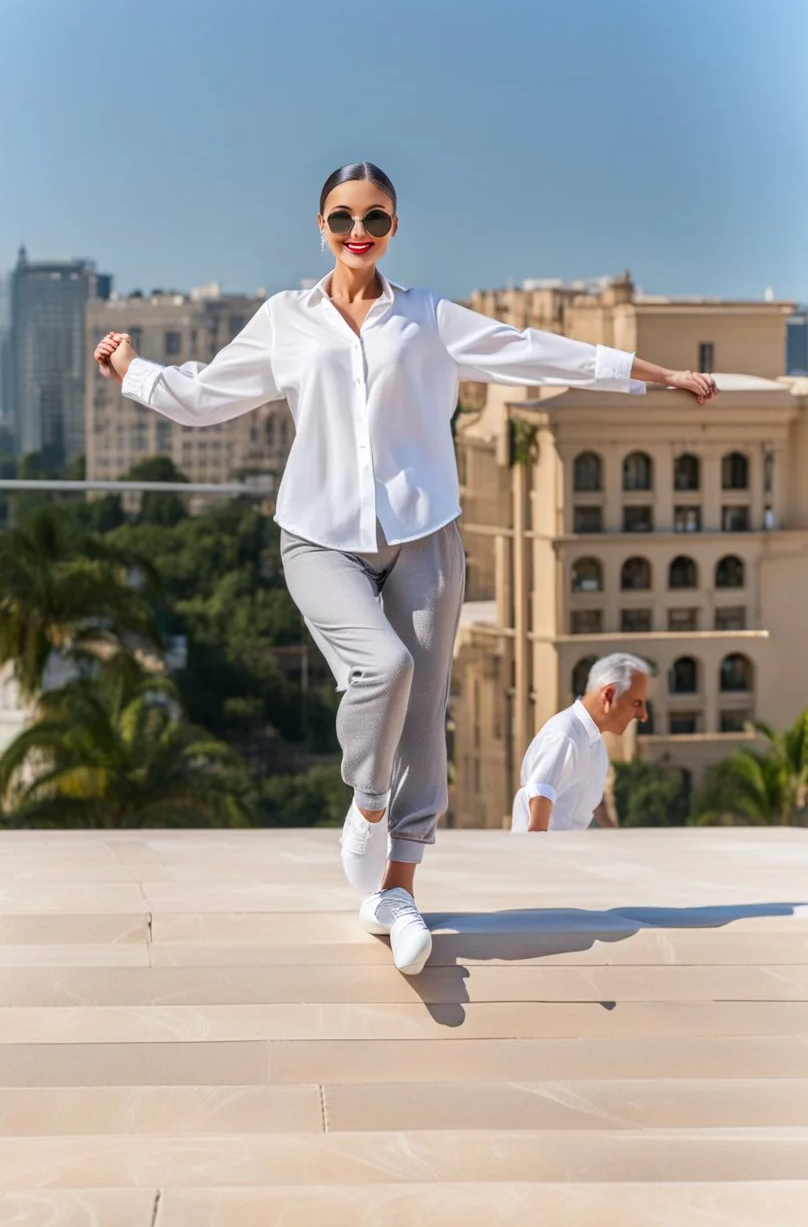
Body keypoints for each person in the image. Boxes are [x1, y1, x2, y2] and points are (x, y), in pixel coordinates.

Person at [93, 161, 717, 976]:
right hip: (318, 536)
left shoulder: (426, 319)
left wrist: (657, 377)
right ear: (321, 226)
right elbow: (207, 395)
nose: (360, 232)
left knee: (426, 706)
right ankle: (369, 802)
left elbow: (535, 352)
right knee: (380, 669)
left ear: (393, 229)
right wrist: (133, 371)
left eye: (376, 219)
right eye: (344, 218)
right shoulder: (287, 319)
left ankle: (398, 888)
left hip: (424, 536)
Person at [511, 653, 651, 833]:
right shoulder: (566, 736)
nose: (643, 715)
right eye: (637, 703)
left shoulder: (595, 743)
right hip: (545, 857)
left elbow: (596, 807)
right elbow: (538, 807)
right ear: (608, 695)